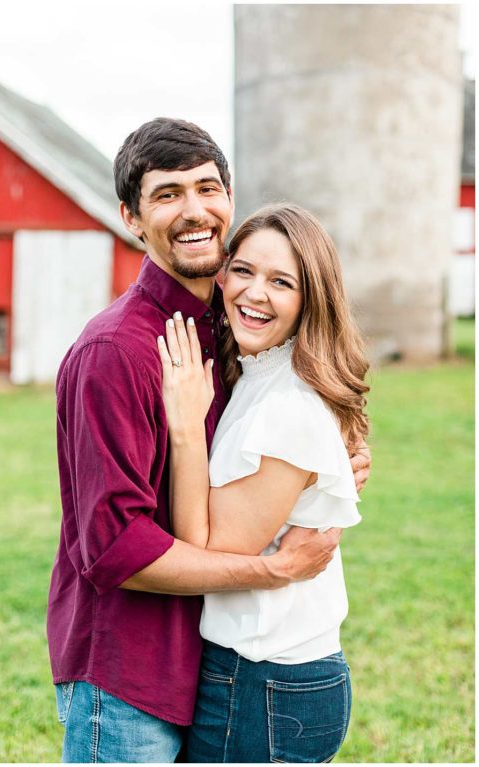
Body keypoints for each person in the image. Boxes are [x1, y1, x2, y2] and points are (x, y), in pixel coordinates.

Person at [48, 118, 372, 763]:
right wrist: (271, 570)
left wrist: (323, 467)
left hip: (212, 666)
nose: (194, 210)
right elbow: (114, 550)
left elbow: (292, 421)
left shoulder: (228, 331)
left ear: (229, 198)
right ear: (131, 218)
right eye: (168, 194)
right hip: (129, 675)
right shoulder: (116, 352)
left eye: (208, 187)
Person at [156, 203, 367, 762]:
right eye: (244, 270)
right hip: (263, 675)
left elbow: (209, 552)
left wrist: (185, 428)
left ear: (310, 298)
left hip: (265, 681)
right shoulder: (260, 372)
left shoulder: (287, 405)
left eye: (281, 282)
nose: (254, 293)